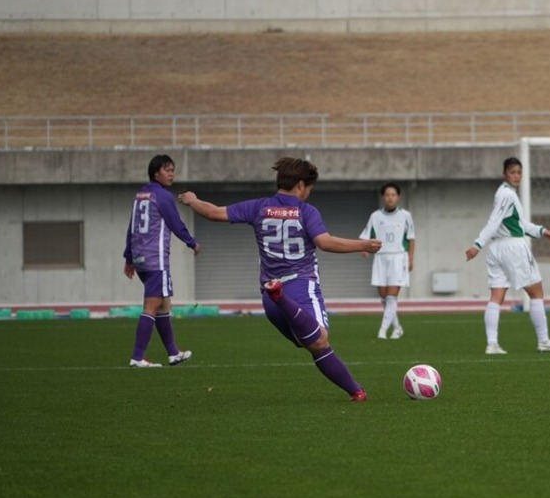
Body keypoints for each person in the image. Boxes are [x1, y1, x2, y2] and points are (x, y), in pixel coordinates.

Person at [178, 157, 382, 401]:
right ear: (299, 184)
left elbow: (213, 213)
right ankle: (282, 297)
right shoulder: (306, 211)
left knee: (310, 344)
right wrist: (363, 245)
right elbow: (324, 243)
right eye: (309, 188)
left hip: (269, 299)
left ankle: (356, 391)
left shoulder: (259, 207)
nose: (308, 193)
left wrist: (192, 200)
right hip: (300, 286)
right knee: (320, 338)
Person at [465, 157, 550, 355]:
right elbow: (494, 222)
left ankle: (492, 344)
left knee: (496, 297)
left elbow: (518, 224)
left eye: (519, 172)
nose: (516, 176)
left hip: (497, 250)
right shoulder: (506, 194)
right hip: (513, 248)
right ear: (505, 174)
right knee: (536, 293)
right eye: (512, 172)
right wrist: (477, 244)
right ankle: (544, 342)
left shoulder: (505, 193)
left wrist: (540, 230)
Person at [123, 154, 199, 368]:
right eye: (167, 169)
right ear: (156, 172)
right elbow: (175, 223)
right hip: (155, 259)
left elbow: (132, 227)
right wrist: (191, 242)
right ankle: (137, 357)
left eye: (173, 170)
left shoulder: (140, 195)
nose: (171, 173)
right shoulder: (163, 196)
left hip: (140, 258)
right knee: (152, 305)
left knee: (164, 304)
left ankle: (173, 353)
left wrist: (129, 258)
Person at [360, 182, 416, 340]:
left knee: (392, 296)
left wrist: (411, 258)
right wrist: (364, 248)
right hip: (380, 258)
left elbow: (411, 238)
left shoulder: (406, 216)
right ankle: (397, 327)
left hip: (398, 258)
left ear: (398, 197)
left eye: (393, 195)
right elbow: (366, 235)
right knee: (384, 297)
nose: (390, 198)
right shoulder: (375, 216)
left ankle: (382, 331)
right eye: (387, 195)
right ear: (383, 197)